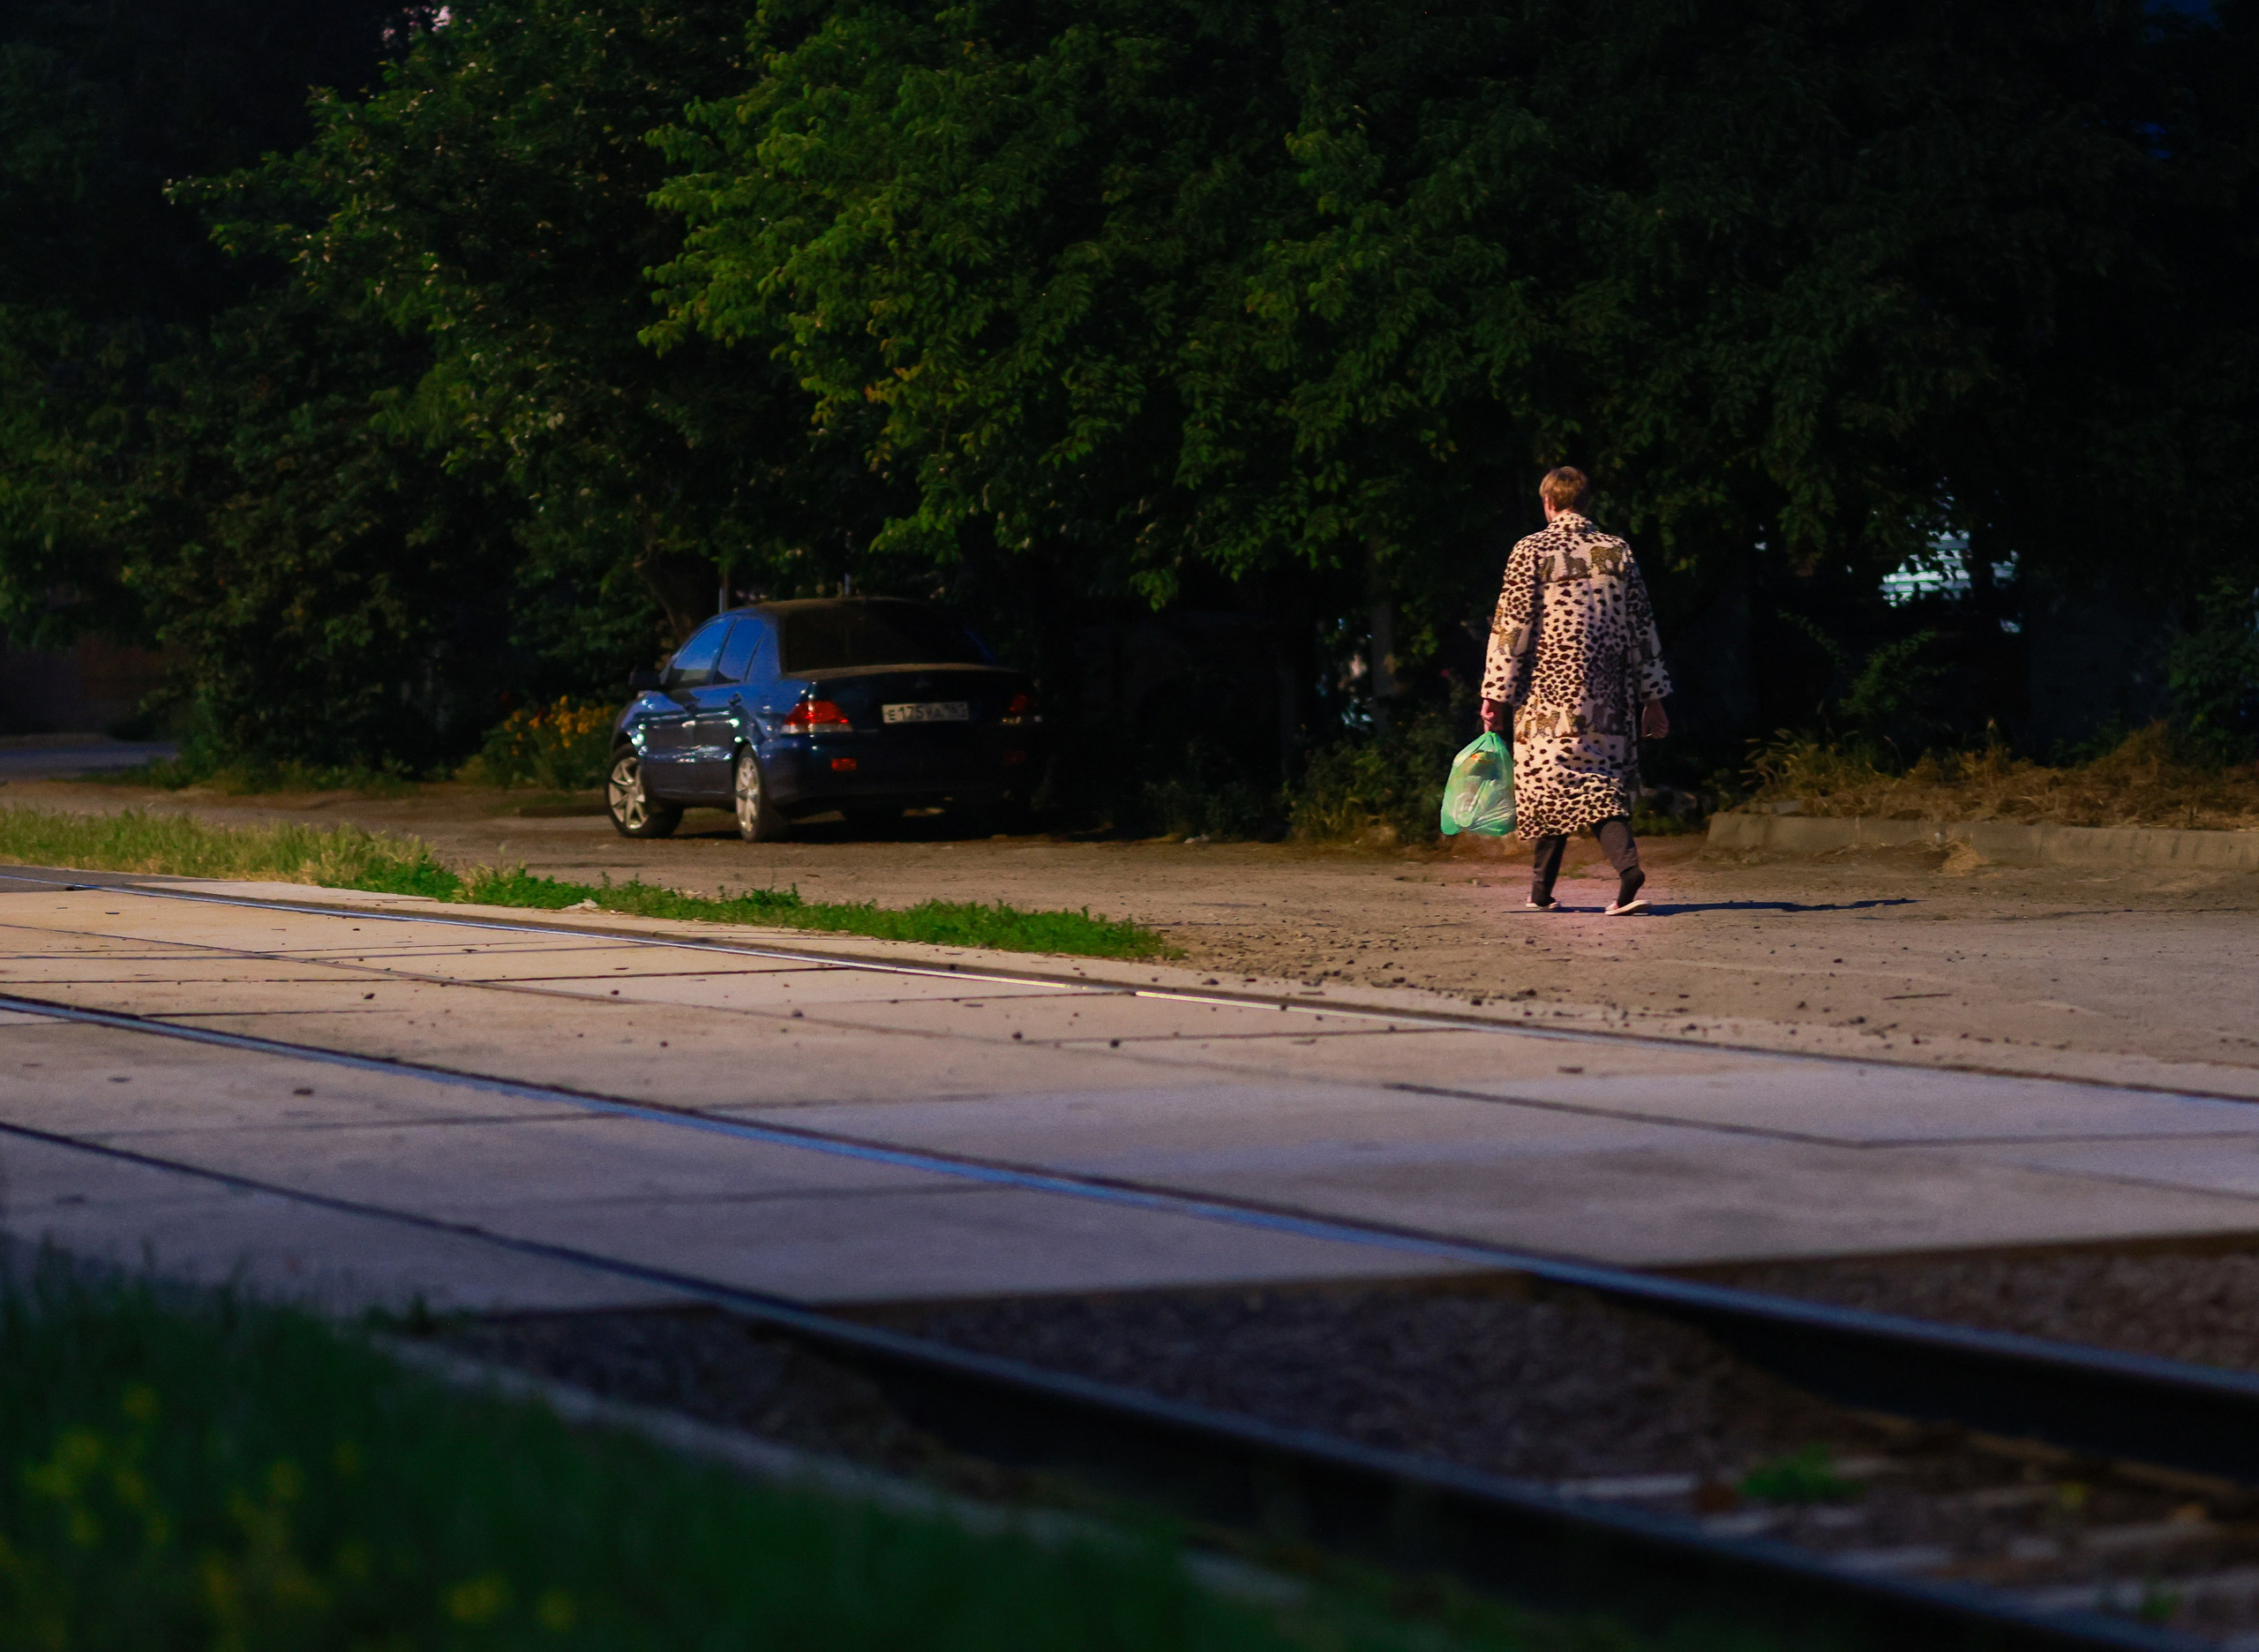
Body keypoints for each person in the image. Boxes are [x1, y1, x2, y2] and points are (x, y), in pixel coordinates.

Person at [1479, 467, 1670, 915]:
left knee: (1552, 782)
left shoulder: (1531, 549)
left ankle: (1626, 873)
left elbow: (1512, 627)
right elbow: (1642, 629)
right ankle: (1543, 892)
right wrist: (1653, 698)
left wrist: (1494, 695)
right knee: (1592, 781)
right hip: (1609, 696)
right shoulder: (1617, 550)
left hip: (1547, 695)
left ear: (1548, 502)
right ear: (1586, 503)